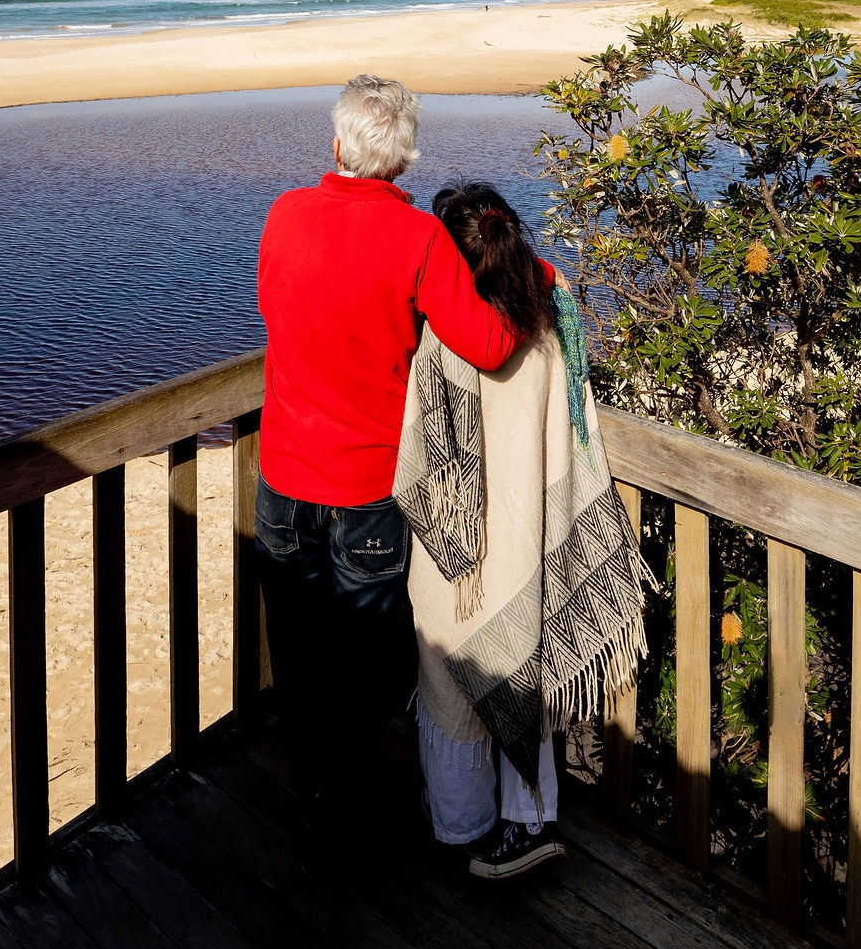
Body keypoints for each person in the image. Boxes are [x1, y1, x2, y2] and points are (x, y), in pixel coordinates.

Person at [253, 75, 526, 838]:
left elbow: (273, 302)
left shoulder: (285, 214)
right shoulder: (417, 239)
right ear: (403, 161)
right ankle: (356, 806)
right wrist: (530, 275)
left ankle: (315, 792)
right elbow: (492, 343)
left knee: (300, 649)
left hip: (282, 479)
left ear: (336, 144)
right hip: (366, 493)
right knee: (368, 664)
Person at [395, 182, 653, 880]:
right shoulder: (549, 314)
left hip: (461, 552)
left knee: (452, 670)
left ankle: (463, 822)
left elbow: (419, 453)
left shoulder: (442, 331)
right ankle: (528, 817)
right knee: (523, 674)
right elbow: (575, 434)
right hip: (526, 533)